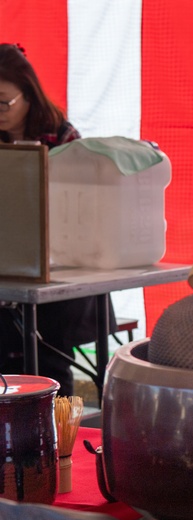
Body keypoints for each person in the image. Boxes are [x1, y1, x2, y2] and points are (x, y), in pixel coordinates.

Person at [0, 42, 110, 395]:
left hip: (62, 268)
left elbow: (86, 210)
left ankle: (55, 433)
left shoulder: (63, 138)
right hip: (9, 263)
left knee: (47, 360)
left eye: (3, 101)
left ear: (28, 94)